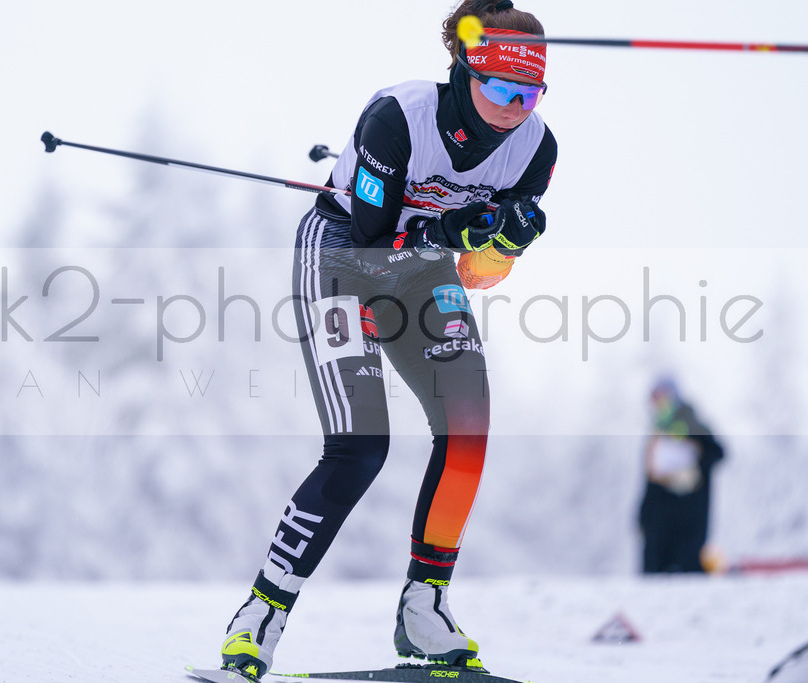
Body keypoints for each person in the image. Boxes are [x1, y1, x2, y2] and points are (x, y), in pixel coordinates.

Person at [216, 1, 557, 679]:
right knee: (360, 446)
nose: (516, 106)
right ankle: (262, 612)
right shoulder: (397, 118)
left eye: (531, 92)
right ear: (465, 69)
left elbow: (476, 273)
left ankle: (424, 608)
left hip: (424, 271)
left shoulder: (537, 147)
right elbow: (372, 248)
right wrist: (451, 228)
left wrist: (506, 246)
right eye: (501, 88)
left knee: (468, 428)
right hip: (342, 254)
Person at [638, 377, 725, 574]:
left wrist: (695, 459)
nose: (658, 404)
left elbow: (718, 453)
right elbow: (650, 480)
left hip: (689, 520)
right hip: (659, 525)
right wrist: (643, 515)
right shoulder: (657, 435)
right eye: (654, 399)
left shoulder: (694, 425)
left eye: (662, 398)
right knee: (653, 578)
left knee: (687, 577)